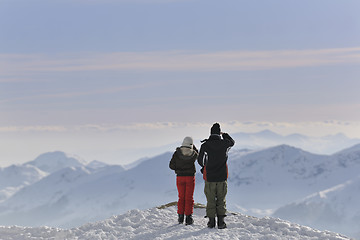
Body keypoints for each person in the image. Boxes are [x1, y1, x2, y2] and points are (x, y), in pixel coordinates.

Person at [197, 123, 235, 229]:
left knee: (210, 199)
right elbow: (232, 142)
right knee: (221, 199)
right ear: (219, 133)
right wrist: (225, 135)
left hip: (209, 177)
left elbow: (200, 161)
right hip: (222, 177)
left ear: (210, 133)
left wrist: (206, 167)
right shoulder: (224, 144)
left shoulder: (205, 145)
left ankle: (211, 222)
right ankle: (221, 222)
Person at [169, 136, 199, 225]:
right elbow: (198, 155)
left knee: (181, 197)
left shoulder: (177, 153)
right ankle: (188, 218)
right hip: (190, 177)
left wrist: (178, 169)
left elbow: (171, 166)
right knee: (189, 198)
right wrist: (194, 147)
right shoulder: (193, 154)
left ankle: (180, 217)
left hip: (179, 178)